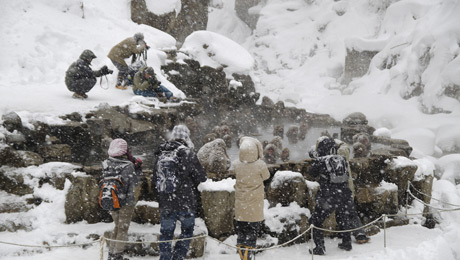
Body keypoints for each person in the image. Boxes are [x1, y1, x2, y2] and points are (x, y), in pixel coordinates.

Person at [152, 125, 207, 260]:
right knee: (187, 231)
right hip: (186, 202)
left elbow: (154, 178)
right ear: (186, 137)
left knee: (165, 234)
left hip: (166, 201)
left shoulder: (161, 153)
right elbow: (201, 177)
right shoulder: (188, 153)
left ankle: (165, 258)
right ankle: (178, 256)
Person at [308, 136, 357, 255]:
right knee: (343, 217)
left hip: (329, 196)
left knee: (315, 220)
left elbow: (311, 173)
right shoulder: (342, 159)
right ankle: (347, 243)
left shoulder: (321, 160)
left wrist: (316, 159)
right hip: (344, 194)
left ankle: (319, 247)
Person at [102, 139, 142, 260]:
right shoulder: (128, 165)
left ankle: (111, 253)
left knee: (117, 226)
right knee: (123, 228)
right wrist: (138, 169)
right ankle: (117, 255)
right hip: (126, 201)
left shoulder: (106, 163)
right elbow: (134, 183)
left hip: (111, 199)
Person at [233, 137, 270, 260]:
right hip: (255, 205)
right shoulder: (260, 165)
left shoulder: (236, 164)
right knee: (252, 231)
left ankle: (242, 253)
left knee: (242, 231)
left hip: (241, 204)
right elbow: (267, 176)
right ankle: (248, 255)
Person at [335, 139, 370, 244]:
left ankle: (358, 234)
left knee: (349, 213)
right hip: (346, 189)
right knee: (345, 212)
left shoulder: (338, 158)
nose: (356, 151)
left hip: (342, 190)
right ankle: (347, 233)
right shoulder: (344, 159)